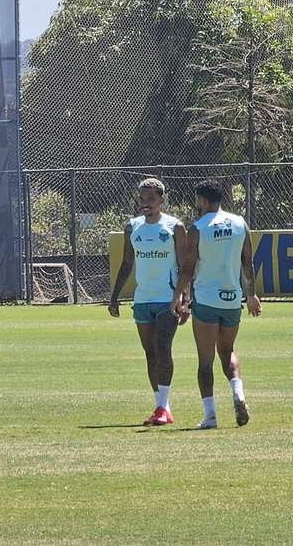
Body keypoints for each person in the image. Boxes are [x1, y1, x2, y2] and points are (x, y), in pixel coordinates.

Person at [171, 180, 260, 430]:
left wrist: (177, 296)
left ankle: (210, 416)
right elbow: (247, 262)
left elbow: (187, 269)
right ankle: (238, 394)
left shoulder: (198, 228)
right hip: (232, 299)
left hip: (207, 299)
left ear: (203, 201)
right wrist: (251, 295)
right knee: (228, 351)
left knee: (205, 360)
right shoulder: (240, 223)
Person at [109, 178, 188, 426]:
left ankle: (162, 408)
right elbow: (126, 263)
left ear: (161, 200)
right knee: (150, 353)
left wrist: (186, 298)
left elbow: (186, 266)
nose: (145, 204)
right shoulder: (132, 227)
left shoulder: (175, 227)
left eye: (150, 199)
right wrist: (114, 297)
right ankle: (161, 406)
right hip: (142, 300)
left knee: (163, 348)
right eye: (142, 199)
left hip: (168, 299)